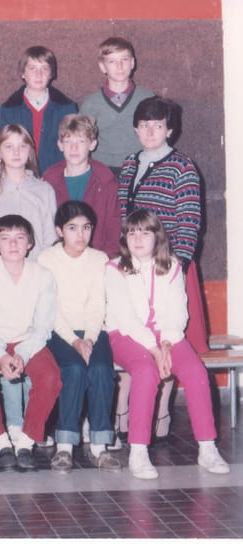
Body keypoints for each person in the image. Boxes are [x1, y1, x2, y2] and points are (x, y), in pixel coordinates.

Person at [105, 209, 229, 479]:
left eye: (145, 232)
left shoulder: (172, 266)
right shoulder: (114, 268)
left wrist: (168, 345)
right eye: (131, 233)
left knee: (196, 372)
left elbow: (178, 312)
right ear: (124, 238)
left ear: (157, 237)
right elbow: (125, 318)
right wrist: (154, 349)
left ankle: (207, 448)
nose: (138, 238)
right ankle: (139, 451)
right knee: (146, 371)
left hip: (167, 336)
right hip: (126, 335)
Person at [117, 96, 207, 441]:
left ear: (170, 130)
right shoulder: (129, 163)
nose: (151, 131)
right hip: (134, 267)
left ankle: (163, 407)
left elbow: (190, 223)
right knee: (135, 337)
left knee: (166, 337)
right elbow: (123, 217)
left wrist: (172, 270)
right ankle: (125, 408)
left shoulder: (182, 167)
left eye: (158, 125)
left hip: (170, 269)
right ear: (136, 129)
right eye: (144, 125)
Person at [0, 214, 61, 472]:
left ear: (30, 243)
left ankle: (25, 443)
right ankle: (1, 443)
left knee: (50, 378)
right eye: (5, 238)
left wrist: (22, 354)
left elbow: (43, 325)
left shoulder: (43, 276)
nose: (13, 244)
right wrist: (1, 355)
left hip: (29, 341)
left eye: (20, 238)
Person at [37, 201, 120, 473]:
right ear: (59, 231)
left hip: (93, 331)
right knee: (73, 369)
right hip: (59, 330)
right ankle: (65, 446)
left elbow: (98, 306)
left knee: (100, 370)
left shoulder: (99, 259)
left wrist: (90, 340)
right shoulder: (47, 259)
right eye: (72, 228)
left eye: (86, 227)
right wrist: (74, 340)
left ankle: (99, 447)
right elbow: (51, 308)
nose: (80, 235)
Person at [42, 114, 121, 257]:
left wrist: (105, 261)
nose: (74, 148)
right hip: (58, 259)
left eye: (81, 141)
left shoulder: (107, 182)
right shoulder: (48, 181)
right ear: (60, 145)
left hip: (97, 258)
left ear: (92, 144)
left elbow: (113, 230)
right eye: (68, 141)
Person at [0, 124, 57, 263]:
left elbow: (50, 240)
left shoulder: (45, 190)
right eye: (9, 146)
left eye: (22, 146)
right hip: (0, 268)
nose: (16, 152)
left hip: (36, 267)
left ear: (30, 151)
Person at [0, 46, 77, 173]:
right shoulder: (8, 110)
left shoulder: (67, 108)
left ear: (51, 74)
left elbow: (75, 149)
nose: (39, 74)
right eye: (32, 68)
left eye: (44, 68)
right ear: (23, 73)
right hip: (19, 177)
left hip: (57, 176)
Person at [80, 37, 154, 176]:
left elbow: (158, 137)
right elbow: (82, 142)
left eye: (124, 59)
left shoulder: (148, 98)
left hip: (140, 167)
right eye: (112, 61)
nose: (119, 66)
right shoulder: (91, 103)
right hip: (102, 171)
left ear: (132, 63)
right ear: (102, 67)